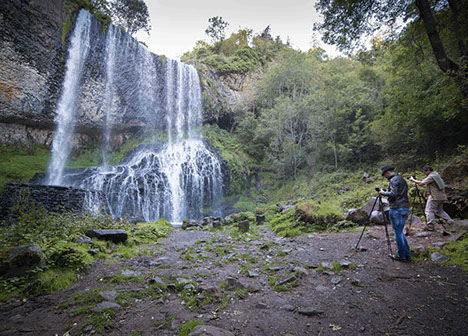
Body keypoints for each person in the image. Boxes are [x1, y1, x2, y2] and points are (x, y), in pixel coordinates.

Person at [378, 165, 411, 262]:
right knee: (400, 231)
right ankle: (406, 253)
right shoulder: (401, 179)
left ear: (387, 172)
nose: (385, 177)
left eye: (385, 175)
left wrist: (382, 193)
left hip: (397, 208)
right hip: (405, 207)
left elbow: (393, 194)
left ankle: (402, 255)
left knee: (398, 232)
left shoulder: (393, 180)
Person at [410, 165, 454, 231]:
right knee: (439, 210)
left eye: (424, 172)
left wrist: (413, 180)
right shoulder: (436, 175)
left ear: (428, 171)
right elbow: (427, 185)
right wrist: (416, 184)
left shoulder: (431, 176)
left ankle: (430, 226)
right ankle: (450, 221)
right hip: (441, 196)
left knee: (428, 210)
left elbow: (422, 182)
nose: (424, 173)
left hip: (435, 197)